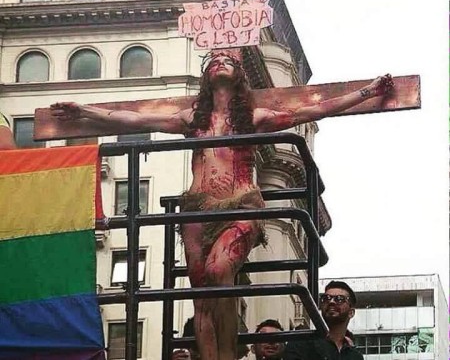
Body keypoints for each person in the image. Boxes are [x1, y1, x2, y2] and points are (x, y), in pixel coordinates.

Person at [51, 52, 393, 360]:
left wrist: (366, 92)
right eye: (213, 60)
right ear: (206, 77)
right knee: (200, 296)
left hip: (241, 202)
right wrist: (83, 111)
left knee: (219, 272)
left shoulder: (254, 117)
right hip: (197, 209)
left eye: (227, 60)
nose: (220, 61)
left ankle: (228, 355)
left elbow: (311, 110)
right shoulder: (191, 120)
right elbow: (133, 120)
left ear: (239, 76)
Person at [283, 280, 363, 360]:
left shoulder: (355, 356)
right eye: (326, 298)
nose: (331, 302)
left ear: (351, 312)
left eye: (339, 299)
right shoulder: (301, 343)